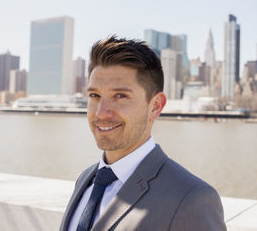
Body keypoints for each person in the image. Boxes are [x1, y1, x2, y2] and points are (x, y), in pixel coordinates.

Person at [60, 36, 226, 231]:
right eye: (95, 96)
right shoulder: (85, 178)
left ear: (155, 106)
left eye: (120, 96)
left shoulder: (192, 199)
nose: (101, 113)